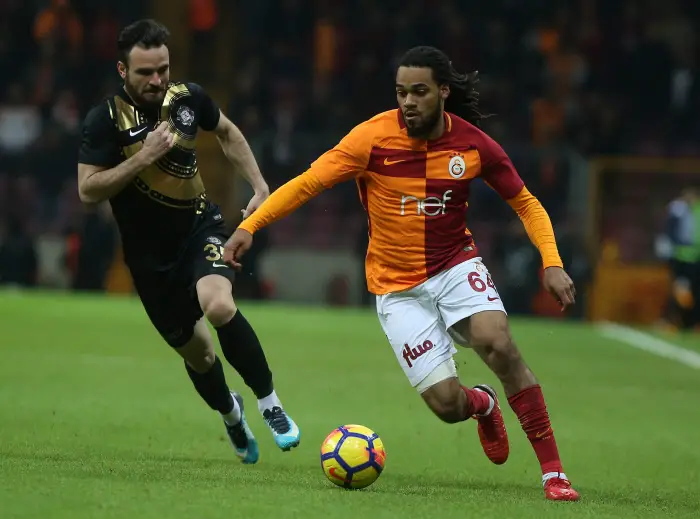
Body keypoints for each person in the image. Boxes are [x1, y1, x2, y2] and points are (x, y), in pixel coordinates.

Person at [224, 46, 579, 500]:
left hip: (454, 264)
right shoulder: (371, 139)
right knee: (448, 406)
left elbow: (526, 203)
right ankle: (483, 403)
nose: (408, 102)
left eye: (419, 92)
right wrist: (249, 226)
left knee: (499, 343)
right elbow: (309, 182)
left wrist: (552, 262)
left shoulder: (473, 145)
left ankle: (553, 473)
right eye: (400, 92)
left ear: (443, 92)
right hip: (396, 287)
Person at [76, 19, 300, 464]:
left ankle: (270, 402)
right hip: (148, 260)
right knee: (199, 355)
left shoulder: (187, 98)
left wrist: (259, 187)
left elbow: (229, 133)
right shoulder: (103, 121)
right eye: (145, 72)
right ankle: (231, 414)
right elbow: (88, 192)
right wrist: (144, 157)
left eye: (162, 69)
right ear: (123, 71)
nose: (157, 80)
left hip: (200, 228)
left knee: (218, 304)